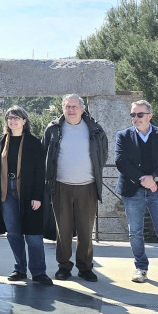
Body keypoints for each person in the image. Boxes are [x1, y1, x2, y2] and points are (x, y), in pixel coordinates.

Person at [43, 94, 109, 282]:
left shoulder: (95, 130)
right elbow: (45, 153)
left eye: (74, 106)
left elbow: (102, 155)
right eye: (67, 106)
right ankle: (63, 266)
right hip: (60, 186)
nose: (71, 110)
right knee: (63, 231)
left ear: (82, 109)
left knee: (85, 231)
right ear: (63, 109)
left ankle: (85, 267)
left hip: (87, 187)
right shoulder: (53, 129)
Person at [116, 99, 158, 288]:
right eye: (133, 115)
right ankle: (141, 268)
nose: (135, 118)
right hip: (132, 190)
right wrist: (142, 180)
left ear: (150, 116)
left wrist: (154, 179)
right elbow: (121, 162)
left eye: (140, 114)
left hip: (157, 190)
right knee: (135, 232)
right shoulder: (123, 136)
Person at [0, 106, 50, 285]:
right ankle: (20, 268)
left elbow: (40, 171)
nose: (12, 121)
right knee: (13, 232)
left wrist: (37, 196)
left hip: (28, 191)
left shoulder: (34, 142)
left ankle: (38, 272)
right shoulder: (1, 142)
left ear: (24, 121)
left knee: (33, 234)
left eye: (16, 117)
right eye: (9, 118)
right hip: (6, 191)